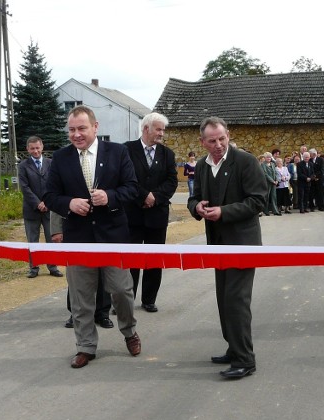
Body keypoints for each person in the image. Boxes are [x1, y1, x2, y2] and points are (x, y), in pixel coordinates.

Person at [43, 105, 141, 368]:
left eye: (82, 128)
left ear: (95, 127)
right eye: (71, 130)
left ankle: (129, 331)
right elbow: (50, 196)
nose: (76, 134)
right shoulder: (61, 158)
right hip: (78, 238)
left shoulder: (118, 152)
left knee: (122, 290)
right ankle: (85, 346)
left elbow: (132, 189)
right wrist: (68, 204)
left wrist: (110, 197)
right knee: (81, 296)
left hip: (114, 237)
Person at [188, 116, 267, 379]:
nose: (219, 144)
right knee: (224, 300)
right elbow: (193, 197)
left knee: (236, 301)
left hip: (243, 245)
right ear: (203, 142)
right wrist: (196, 207)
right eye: (212, 141)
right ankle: (234, 348)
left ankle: (246, 360)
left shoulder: (246, 161)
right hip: (217, 246)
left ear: (228, 135)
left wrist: (223, 212)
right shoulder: (201, 166)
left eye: (222, 138)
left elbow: (258, 201)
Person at [123, 112, 178, 313]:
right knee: (131, 260)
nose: (162, 133)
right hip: (132, 215)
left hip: (157, 215)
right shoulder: (127, 150)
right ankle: (126, 299)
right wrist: (143, 196)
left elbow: (172, 181)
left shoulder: (167, 154)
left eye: (163, 129)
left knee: (154, 259)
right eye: (158, 129)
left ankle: (149, 299)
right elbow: (124, 177)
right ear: (146, 128)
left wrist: (154, 197)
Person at [49, 211, 113, 329]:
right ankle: (76, 313)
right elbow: (56, 199)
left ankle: (102, 313)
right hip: (75, 229)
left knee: (103, 271)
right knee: (76, 273)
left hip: (103, 229)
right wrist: (56, 229)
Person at [18, 136, 64, 279]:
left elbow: (55, 184)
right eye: (32, 148)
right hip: (31, 209)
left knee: (52, 239)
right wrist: (37, 203)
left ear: (42, 147)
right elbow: (24, 187)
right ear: (28, 149)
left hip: (50, 209)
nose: (36, 151)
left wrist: (46, 202)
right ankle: (34, 267)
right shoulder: (23, 166)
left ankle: (53, 266)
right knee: (33, 240)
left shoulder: (51, 163)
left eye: (38, 148)